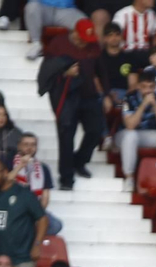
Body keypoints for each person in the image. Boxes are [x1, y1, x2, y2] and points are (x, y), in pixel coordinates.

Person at [42, 19, 107, 191]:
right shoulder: (58, 43)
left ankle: (79, 161)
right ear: (76, 33)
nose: (86, 42)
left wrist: (107, 94)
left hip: (89, 95)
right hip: (67, 96)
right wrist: (64, 72)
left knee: (95, 130)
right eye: (83, 38)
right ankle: (66, 178)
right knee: (66, 137)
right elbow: (46, 70)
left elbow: (101, 70)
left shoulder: (93, 47)